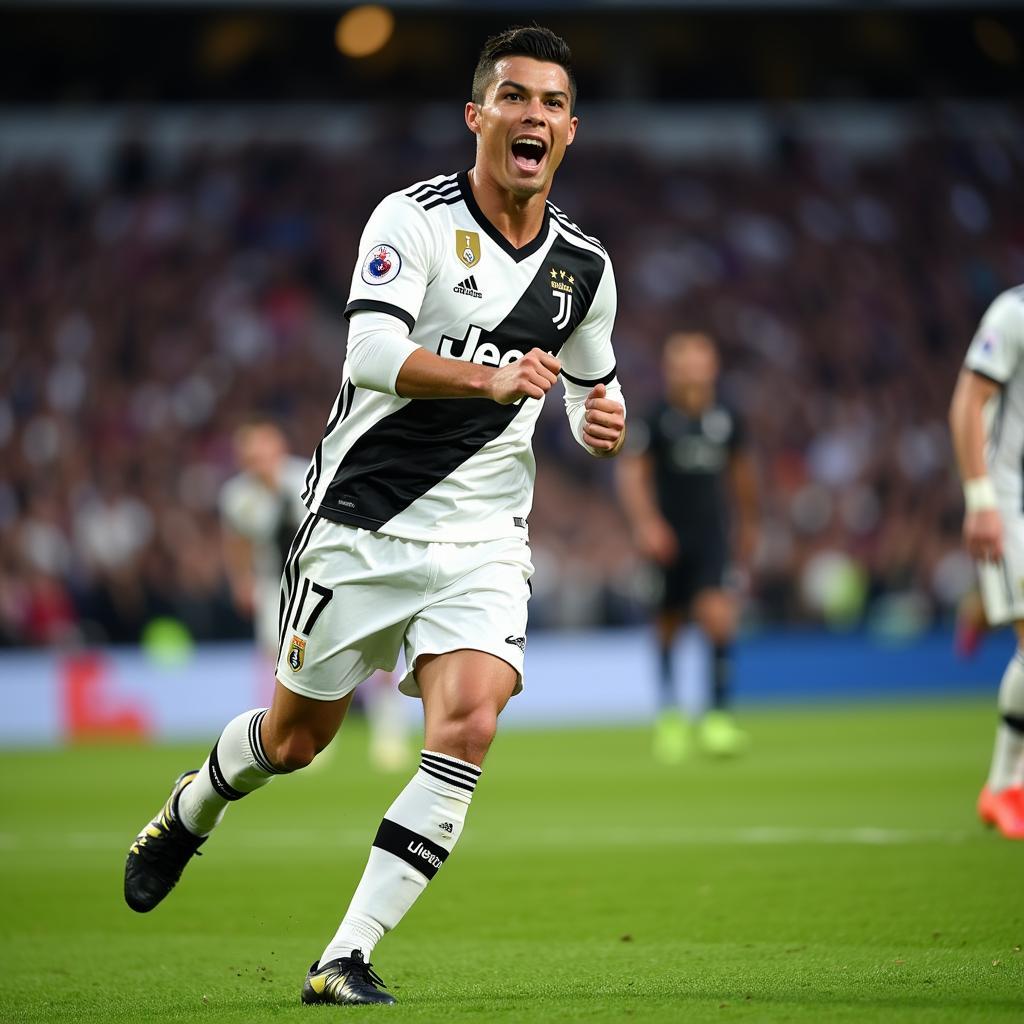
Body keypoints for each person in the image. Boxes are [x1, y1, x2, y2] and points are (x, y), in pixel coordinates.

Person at [123, 25, 626, 1005]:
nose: (534, 116)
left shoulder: (585, 268)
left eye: (552, 103)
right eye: (514, 98)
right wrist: (487, 379)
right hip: (361, 519)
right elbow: (366, 357)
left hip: (483, 537)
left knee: (470, 723)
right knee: (295, 741)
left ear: (572, 130)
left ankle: (343, 954)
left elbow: (590, 390)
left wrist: (602, 420)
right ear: (477, 116)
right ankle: (190, 807)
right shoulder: (414, 221)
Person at [220, 421, 410, 772]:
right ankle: (291, 736)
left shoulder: (306, 476)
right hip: (274, 585)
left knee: (362, 651)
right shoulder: (237, 496)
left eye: (264, 452)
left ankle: (389, 735)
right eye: (252, 455)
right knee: (280, 661)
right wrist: (241, 579)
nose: (259, 461)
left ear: (277, 450)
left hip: (326, 580)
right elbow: (237, 541)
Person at [617, 332, 757, 761]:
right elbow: (632, 473)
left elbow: (743, 476)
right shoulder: (656, 418)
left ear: (712, 366)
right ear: (670, 370)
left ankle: (717, 718)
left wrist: (750, 525)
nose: (691, 370)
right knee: (668, 626)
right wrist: (646, 524)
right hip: (667, 541)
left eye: (699, 361)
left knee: (718, 618)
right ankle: (671, 718)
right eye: (683, 362)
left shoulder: (728, 417)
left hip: (711, 536)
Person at [949, 285, 1024, 841]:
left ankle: (1005, 785)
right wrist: (980, 501)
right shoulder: (1014, 311)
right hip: (1010, 498)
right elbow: (967, 403)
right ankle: (1003, 785)